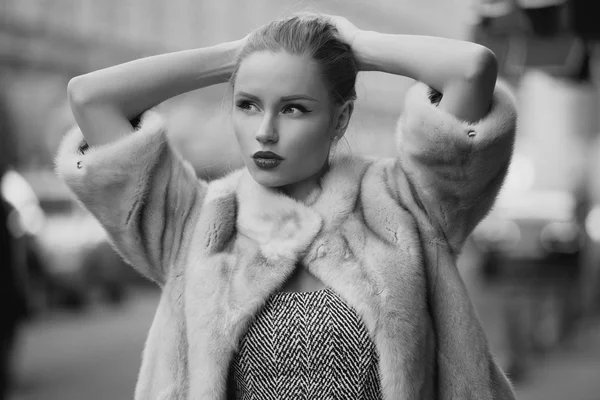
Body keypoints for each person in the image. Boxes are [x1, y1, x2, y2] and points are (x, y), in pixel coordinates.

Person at [56, 14, 517, 400]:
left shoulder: (406, 204)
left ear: (340, 118)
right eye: (248, 105)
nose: (266, 131)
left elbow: (471, 70)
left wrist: (356, 44)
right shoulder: (195, 224)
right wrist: (237, 55)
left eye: (294, 108)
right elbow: (91, 98)